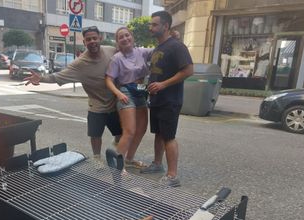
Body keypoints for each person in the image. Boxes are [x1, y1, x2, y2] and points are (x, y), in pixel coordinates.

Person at [23, 26, 121, 159]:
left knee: (120, 133)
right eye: (88, 39)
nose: (92, 41)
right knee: (95, 135)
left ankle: (116, 149)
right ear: (84, 42)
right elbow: (59, 76)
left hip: (114, 104)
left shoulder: (111, 51)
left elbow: (126, 56)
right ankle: (97, 158)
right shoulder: (80, 63)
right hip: (96, 106)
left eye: (94, 38)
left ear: (100, 38)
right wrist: (41, 78)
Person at [140, 11, 194, 188]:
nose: (151, 27)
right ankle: (157, 164)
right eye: (151, 24)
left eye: (154, 24)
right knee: (159, 134)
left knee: (169, 136)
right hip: (157, 100)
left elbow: (188, 71)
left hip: (170, 100)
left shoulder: (176, 46)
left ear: (165, 26)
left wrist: (163, 85)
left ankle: (172, 176)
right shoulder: (158, 47)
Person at [105, 27, 152, 168]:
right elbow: (108, 79)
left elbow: (161, 50)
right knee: (129, 131)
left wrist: (173, 38)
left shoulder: (142, 52)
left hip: (141, 92)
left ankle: (129, 160)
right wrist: (118, 93)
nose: (125, 39)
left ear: (132, 37)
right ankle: (117, 165)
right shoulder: (117, 58)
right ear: (118, 42)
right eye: (121, 37)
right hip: (126, 92)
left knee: (141, 129)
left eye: (127, 35)